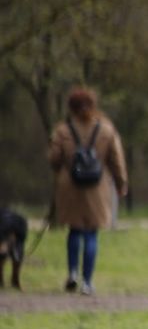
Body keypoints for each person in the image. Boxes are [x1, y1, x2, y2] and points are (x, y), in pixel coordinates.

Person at [48, 86, 128, 295]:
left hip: (70, 186)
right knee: (91, 233)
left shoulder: (62, 130)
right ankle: (87, 282)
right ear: (93, 105)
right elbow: (117, 160)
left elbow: (54, 159)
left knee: (74, 230)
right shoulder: (106, 129)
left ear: (71, 107)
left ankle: (72, 273)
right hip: (97, 186)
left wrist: (62, 171)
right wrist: (121, 183)